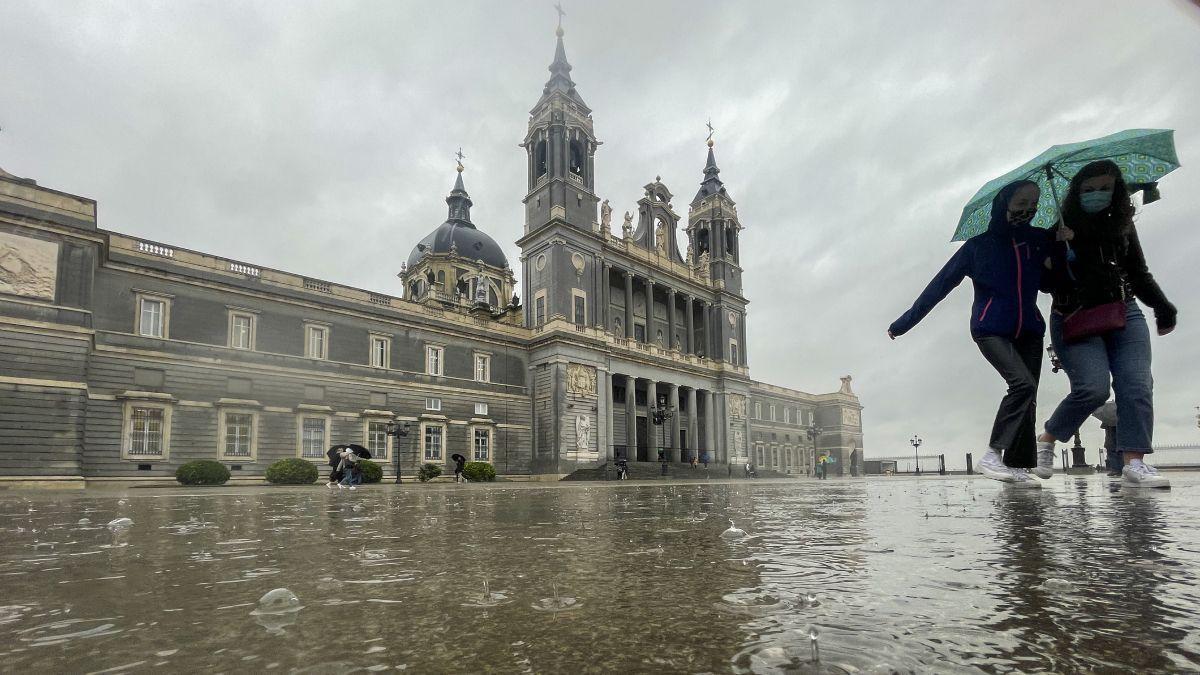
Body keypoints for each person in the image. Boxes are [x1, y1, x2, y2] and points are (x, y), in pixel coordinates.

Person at [889, 180, 1051, 487]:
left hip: (1029, 328)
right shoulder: (978, 246)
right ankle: (993, 454)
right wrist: (904, 323)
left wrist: (1062, 253)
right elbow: (940, 286)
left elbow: (1050, 284)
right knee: (1022, 384)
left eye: (1034, 203)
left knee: (1028, 396)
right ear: (1004, 205)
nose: (1028, 209)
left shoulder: (1039, 240)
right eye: (1021, 203)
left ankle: (1018, 466)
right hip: (990, 328)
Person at [1037, 160, 1176, 488]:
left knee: (1137, 384)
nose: (1096, 195)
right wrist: (1059, 251)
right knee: (1092, 389)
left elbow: (1139, 273)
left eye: (1104, 188)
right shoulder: (1058, 225)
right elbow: (1045, 284)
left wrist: (1162, 306)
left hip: (1123, 311)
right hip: (1074, 315)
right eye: (1088, 190)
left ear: (1116, 191)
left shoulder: (1123, 225)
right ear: (1076, 192)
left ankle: (1134, 463)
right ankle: (1047, 436)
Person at [1092, 400, 1121, 477]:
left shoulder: (1107, 418)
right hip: (1118, 440)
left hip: (1110, 441)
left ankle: (1115, 469)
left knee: (1112, 452)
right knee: (1118, 453)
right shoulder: (1120, 419)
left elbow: (1103, 426)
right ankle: (1119, 469)